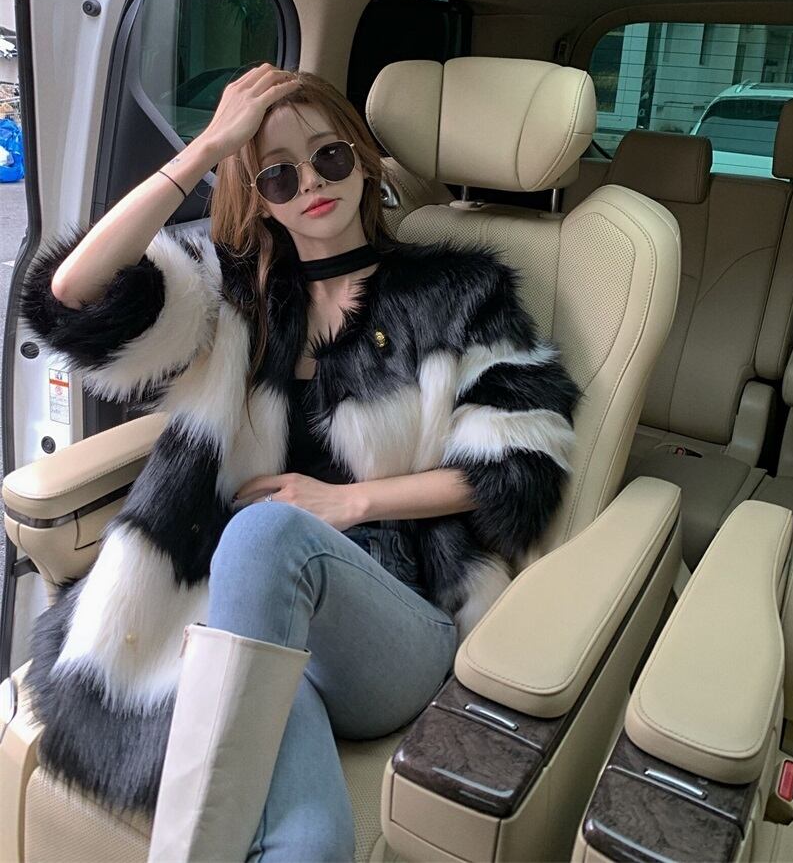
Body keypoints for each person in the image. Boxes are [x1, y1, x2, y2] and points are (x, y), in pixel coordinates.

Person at [20, 63, 580, 862]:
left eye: (330, 157)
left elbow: (521, 466)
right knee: (309, 844)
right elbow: (72, 294)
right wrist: (206, 150)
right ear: (259, 197)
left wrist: (348, 502)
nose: (311, 182)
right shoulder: (235, 298)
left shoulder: (460, 291)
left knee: (264, 532)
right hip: (250, 624)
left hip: (396, 621)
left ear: (364, 161)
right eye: (278, 174)